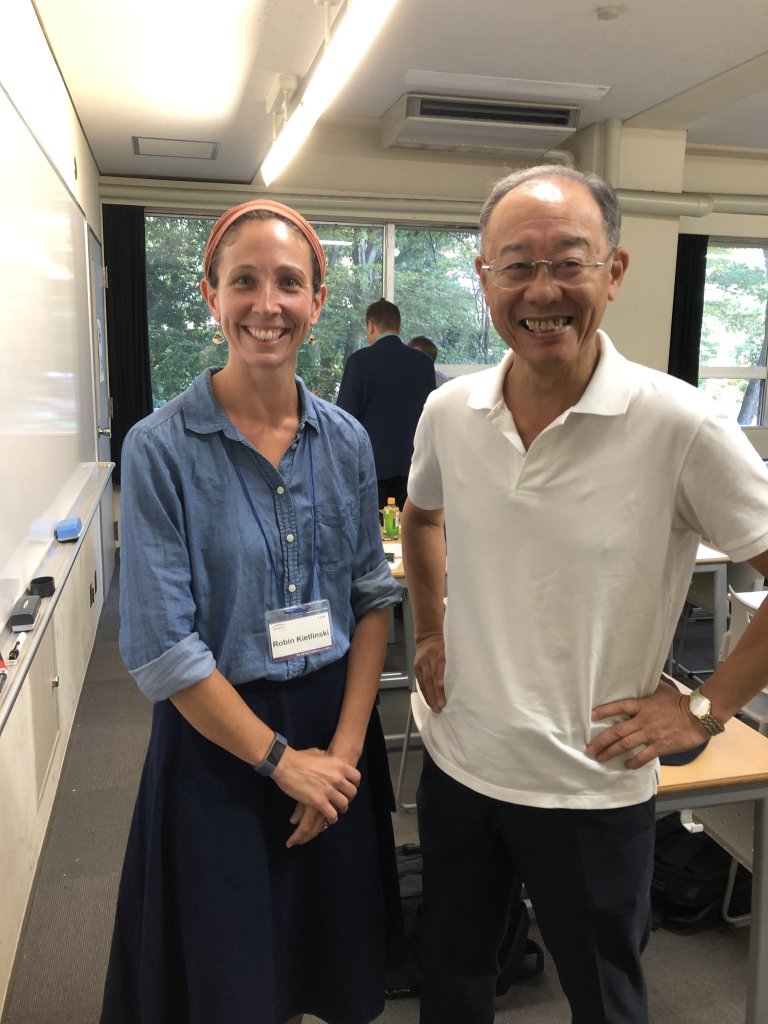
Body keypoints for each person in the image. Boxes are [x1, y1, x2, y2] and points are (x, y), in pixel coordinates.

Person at [401, 165, 768, 1024]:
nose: (543, 291)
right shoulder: (451, 411)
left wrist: (708, 712)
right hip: (463, 761)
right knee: (451, 981)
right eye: (516, 265)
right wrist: (429, 629)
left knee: (605, 1000)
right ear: (483, 277)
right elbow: (422, 520)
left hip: (590, 788)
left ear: (615, 270)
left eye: (569, 262)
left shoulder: (680, 425)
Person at [101, 199, 404, 1024]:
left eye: (287, 284)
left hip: (334, 727)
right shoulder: (160, 447)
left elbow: (372, 598)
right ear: (210, 295)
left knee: (323, 967)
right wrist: (282, 763)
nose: (266, 305)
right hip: (218, 744)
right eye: (244, 282)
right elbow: (165, 648)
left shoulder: (344, 440)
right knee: (232, 978)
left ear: (317, 300)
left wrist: (336, 762)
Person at [337, 298, 435, 510]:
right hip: (414, 466)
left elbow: (344, 418)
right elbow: (431, 415)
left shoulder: (359, 362)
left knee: (375, 533)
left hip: (371, 467)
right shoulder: (424, 364)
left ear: (370, 325)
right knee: (409, 533)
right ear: (399, 327)